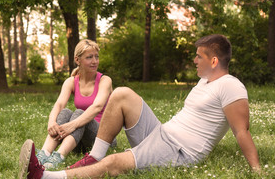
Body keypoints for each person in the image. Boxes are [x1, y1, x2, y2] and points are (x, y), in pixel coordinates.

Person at [19, 34, 261, 179]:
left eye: (199, 56)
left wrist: (257, 169)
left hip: (179, 150)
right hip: (162, 133)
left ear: (214, 60)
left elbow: (242, 130)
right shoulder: (205, 81)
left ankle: (44, 176)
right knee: (122, 94)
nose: (194, 60)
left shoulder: (231, 87)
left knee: (115, 164)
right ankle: (94, 156)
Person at [25, 39, 114, 170]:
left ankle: (58, 157)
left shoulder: (104, 80)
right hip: (78, 141)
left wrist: (71, 125)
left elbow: (97, 107)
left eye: (96, 56)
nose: (95, 61)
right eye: (89, 57)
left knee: (79, 112)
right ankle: (43, 154)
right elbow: (59, 104)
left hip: (103, 139)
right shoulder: (71, 82)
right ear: (77, 60)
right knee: (65, 112)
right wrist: (52, 122)